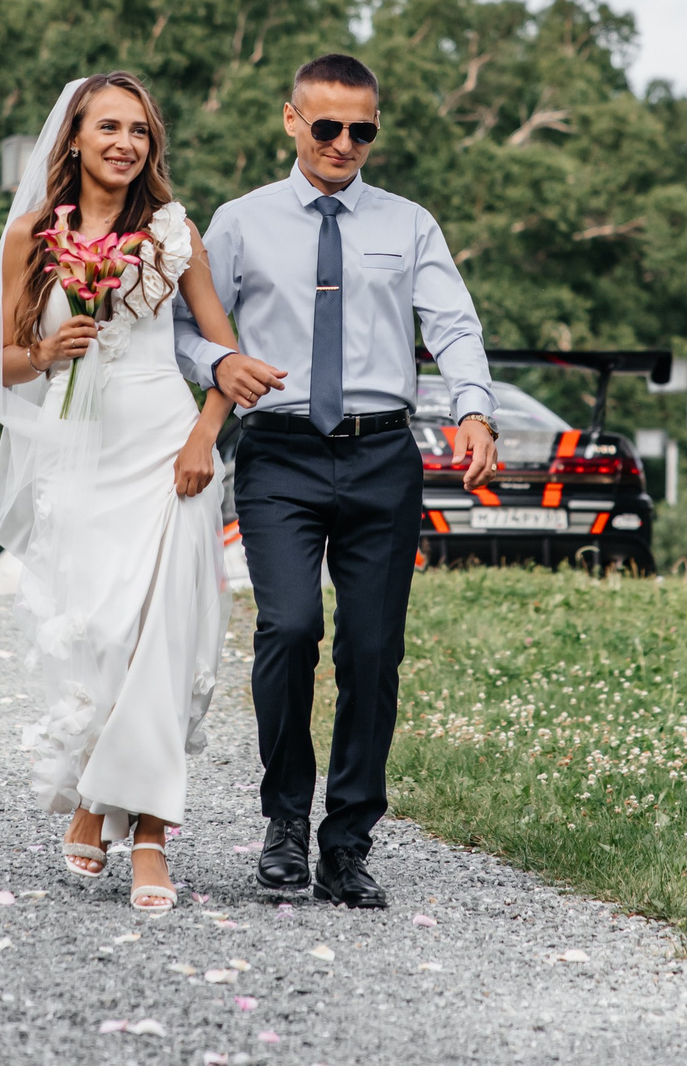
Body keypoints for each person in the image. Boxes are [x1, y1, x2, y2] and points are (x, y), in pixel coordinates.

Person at [173, 52, 498, 907]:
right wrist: (224, 360)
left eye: (362, 130)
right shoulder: (241, 221)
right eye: (327, 127)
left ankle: (347, 840)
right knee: (287, 629)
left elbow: (454, 326)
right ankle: (284, 820)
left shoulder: (409, 223)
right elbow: (185, 327)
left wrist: (474, 410)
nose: (344, 143)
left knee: (372, 651)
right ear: (291, 121)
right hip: (280, 451)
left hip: (382, 454)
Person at [0, 72, 248, 912]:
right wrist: (52, 349)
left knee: (162, 635)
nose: (126, 143)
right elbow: (3, 364)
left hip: (169, 447)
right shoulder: (32, 236)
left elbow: (225, 354)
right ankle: (95, 799)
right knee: (106, 636)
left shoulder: (173, 233)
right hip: (83, 452)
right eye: (109, 128)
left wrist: (205, 441)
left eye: (140, 131)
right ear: (77, 139)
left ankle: (153, 836)